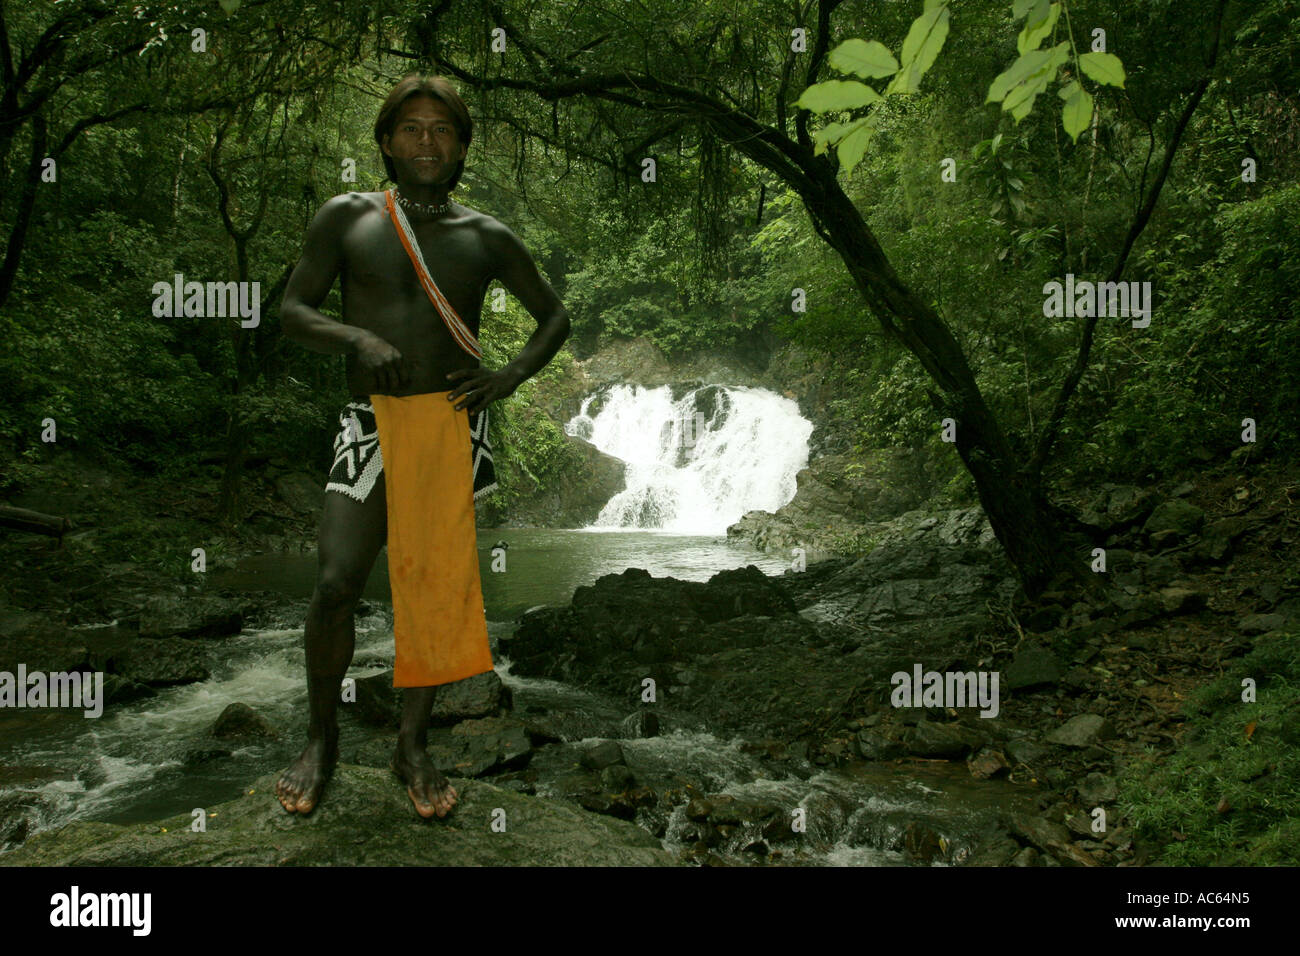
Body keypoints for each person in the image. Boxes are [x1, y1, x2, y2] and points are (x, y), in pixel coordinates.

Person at [275, 74, 569, 818]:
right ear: (385, 141)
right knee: (338, 579)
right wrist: (357, 337)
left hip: (449, 421)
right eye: (412, 128)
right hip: (369, 422)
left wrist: (507, 378)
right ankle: (322, 739)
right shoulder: (346, 218)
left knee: (434, 590)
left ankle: (413, 744)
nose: (427, 141)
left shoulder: (484, 237)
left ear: (463, 146)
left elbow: (554, 318)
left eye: (443, 129)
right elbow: (293, 310)